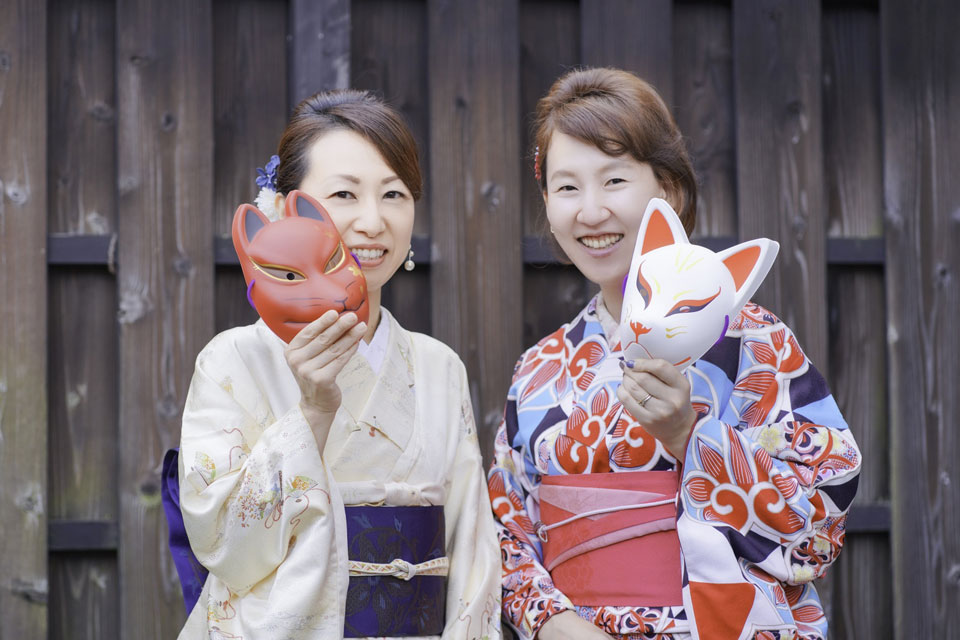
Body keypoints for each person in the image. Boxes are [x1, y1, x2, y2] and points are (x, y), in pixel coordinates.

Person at [487, 67, 861, 640]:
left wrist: (691, 437)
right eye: (567, 188)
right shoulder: (538, 369)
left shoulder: (752, 342)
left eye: (614, 180)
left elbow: (822, 519)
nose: (590, 211)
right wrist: (553, 622)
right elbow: (506, 531)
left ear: (669, 191)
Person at [173, 89, 501, 639]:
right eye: (345, 194)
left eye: (394, 194)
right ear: (287, 209)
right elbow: (224, 544)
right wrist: (312, 413)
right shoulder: (233, 361)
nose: (373, 221)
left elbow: (472, 547)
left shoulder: (438, 366)